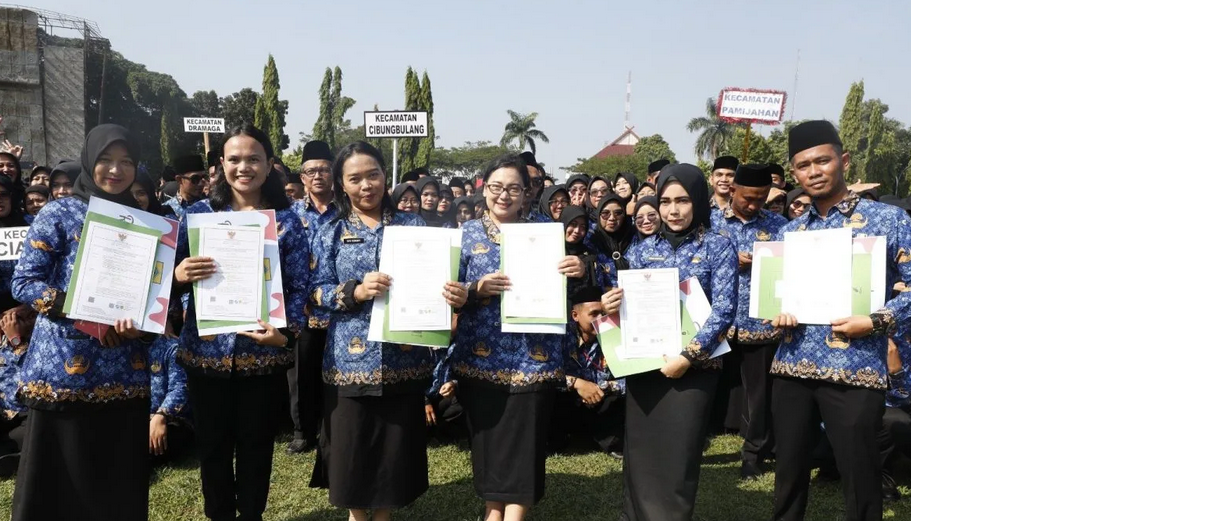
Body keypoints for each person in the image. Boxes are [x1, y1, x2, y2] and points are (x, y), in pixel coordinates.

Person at [307, 141, 463, 521]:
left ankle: (384, 517)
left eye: (373, 175)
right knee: (353, 452)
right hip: (349, 360)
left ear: (385, 176)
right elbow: (314, 292)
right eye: (355, 178)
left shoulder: (415, 227)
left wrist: (451, 292)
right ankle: (358, 517)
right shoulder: (332, 230)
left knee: (393, 456)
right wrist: (354, 291)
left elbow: (441, 277)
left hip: (403, 358)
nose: (366, 185)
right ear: (341, 184)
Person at [768, 120, 911, 521]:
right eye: (802, 166)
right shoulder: (792, 230)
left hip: (855, 367)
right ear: (794, 173)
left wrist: (877, 321)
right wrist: (777, 317)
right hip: (792, 365)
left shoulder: (887, 220)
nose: (813, 172)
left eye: (821, 161)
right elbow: (775, 300)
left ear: (843, 161)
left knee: (860, 471)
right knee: (789, 471)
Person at [10, 124, 152, 520]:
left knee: (113, 481)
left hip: (124, 369)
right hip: (64, 371)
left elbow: (151, 294)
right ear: (90, 161)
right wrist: (80, 309)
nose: (116, 170)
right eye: (106, 159)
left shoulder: (143, 220)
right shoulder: (61, 211)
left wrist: (142, 323)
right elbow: (25, 281)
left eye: (126, 162)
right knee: (58, 484)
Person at [173, 124, 309, 521]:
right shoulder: (197, 216)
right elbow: (164, 278)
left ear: (269, 166)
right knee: (212, 452)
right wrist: (179, 275)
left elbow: (300, 286)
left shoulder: (286, 221)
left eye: (254, 159)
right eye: (234, 159)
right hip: (206, 357)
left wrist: (284, 336)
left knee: (256, 451)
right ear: (221, 165)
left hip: (261, 358)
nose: (244, 167)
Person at [452, 154, 587, 521]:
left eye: (514, 188)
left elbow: (586, 282)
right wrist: (475, 288)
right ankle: (492, 510)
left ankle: (515, 515)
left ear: (527, 192)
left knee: (526, 443)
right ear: (484, 188)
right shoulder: (465, 235)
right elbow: (448, 292)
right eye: (497, 187)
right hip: (479, 358)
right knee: (489, 442)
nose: (504, 195)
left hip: (534, 357)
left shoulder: (547, 232)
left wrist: (580, 267)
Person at [599, 163, 737, 521]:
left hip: (693, 371)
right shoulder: (643, 249)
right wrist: (610, 302)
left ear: (699, 202)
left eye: (683, 201)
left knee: (679, 456)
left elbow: (724, 310)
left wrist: (688, 356)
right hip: (645, 369)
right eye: (665, 201)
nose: (673, 210)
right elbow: (626, 305)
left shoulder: (718, 247)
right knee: (641, 455)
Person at [709, 163, 790, 480]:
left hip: (761, 326)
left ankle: (753, 454)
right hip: (716, 325)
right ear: (733, 190)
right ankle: (694, 442)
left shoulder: (779, 226)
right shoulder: (711, 222)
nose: (754, 205)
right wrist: (730, 260)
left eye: (761, 198)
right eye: (748, 198)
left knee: (759, 396)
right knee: (705, 390)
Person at [286, 140, 336, 455]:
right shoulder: (289, 214)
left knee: (333, 371)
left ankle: (328, 429)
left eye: (324, 170)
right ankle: (301, 431)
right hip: (300, 309)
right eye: (310, 171)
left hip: (338, 307)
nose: (317, 176)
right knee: (300, 374)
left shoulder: (346, 212)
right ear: (302, 178)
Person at [556, 285, 625, 459]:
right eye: (594, 314)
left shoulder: (615, 336)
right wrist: (577, 384)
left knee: (620, 400)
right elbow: (545, 375)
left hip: (601, 399)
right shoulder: (559, 337)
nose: (600, 319)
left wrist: (601, 388)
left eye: (603, 314)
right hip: (568, 400)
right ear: (575, 316)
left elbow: (631, 378)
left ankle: (613, 442)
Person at [559, 205, 615, 294]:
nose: (577, 230)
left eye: (583, 226)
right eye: (573, 224)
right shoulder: (549, 250)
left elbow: (599, 288)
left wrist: (585, 272)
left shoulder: (590, 255)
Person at [586, 194, 633, 275]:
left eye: (618, 213)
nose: (612, 218)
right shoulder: (591, 241)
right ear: (598, 215)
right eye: (605, 213)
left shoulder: (634, 237)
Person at [167, 154, 208, 220]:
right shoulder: (167, 210)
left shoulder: (212, 206)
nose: (201, 183)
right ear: (179, 179)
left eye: (203, 177)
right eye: (195, 179)